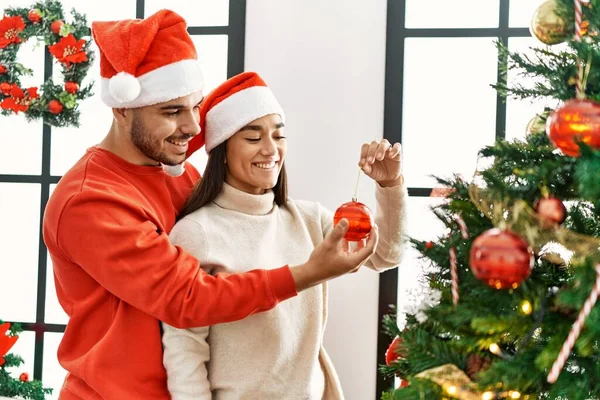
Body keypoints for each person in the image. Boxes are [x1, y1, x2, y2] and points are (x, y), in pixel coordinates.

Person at [42, 10, 380, 400]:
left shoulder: (179, 173)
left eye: (195, 106)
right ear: (121, 108)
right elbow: (191, 298)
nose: (192, 126)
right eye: (171, 111)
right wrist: (307, 273)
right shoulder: (90, 201)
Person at [161, 72, 407, 399]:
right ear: (222, 150)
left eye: (278, 136)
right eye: (252, 138)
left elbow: (386, 254)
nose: (270, 150)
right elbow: (184, 350)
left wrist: (390, 185)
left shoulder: (307, 219)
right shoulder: (197, 232)